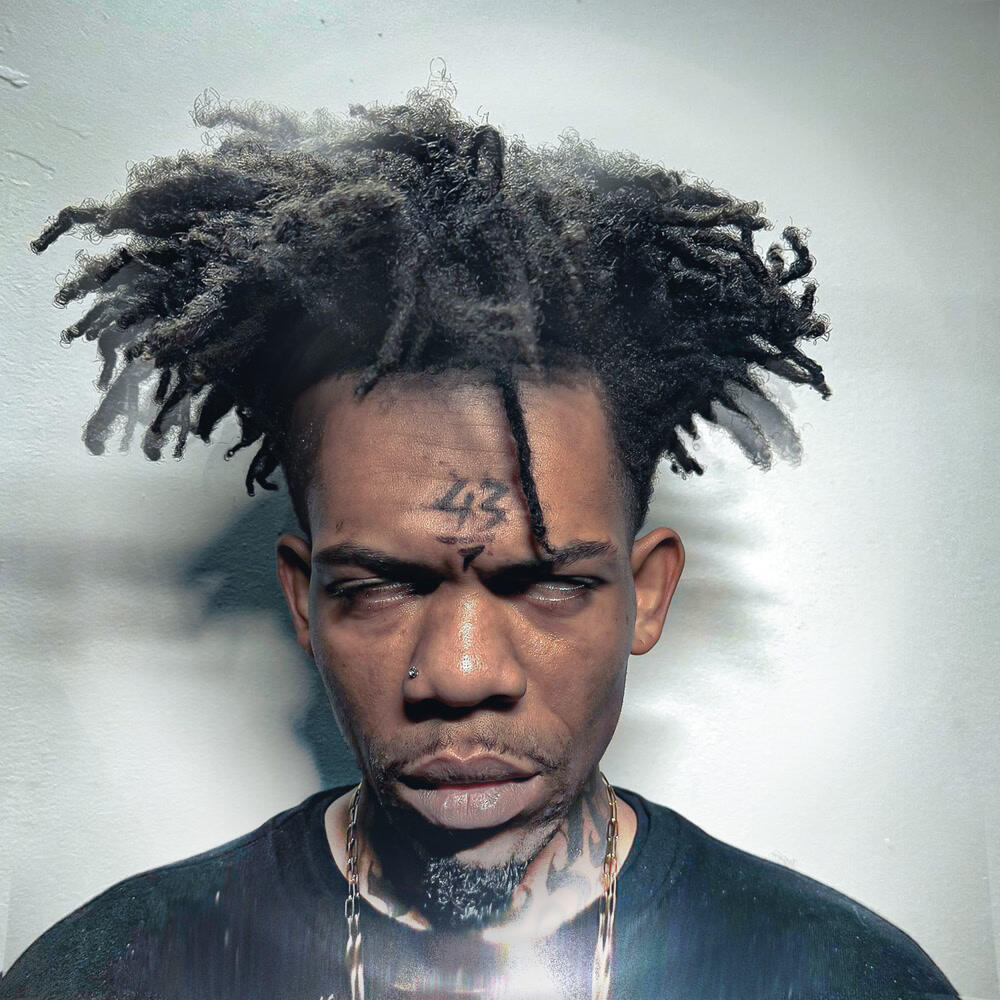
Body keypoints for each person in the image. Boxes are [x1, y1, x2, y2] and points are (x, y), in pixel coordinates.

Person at [2, 89, 957, 1000]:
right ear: (302, 599)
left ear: (648, 594)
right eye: (380, 586)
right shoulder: (109, 974)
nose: (461, 674)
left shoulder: (843, 979)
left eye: (547, 584)